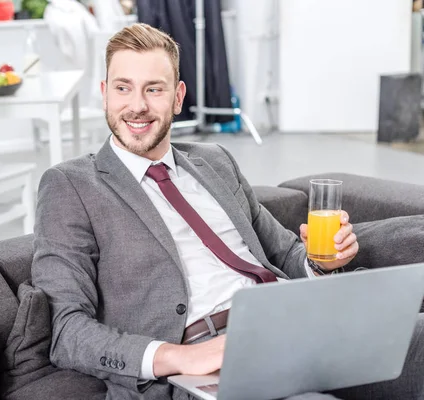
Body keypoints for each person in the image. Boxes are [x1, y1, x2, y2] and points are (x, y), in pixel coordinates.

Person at [32, 23, 424, 400]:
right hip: (211, 351)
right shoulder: (72, 186)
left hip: (301, 318)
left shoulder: (214, 161)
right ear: (104, 93)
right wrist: (183, 357)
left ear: (178, 97)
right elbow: (67, 331)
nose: (137, 106)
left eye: (154, 89)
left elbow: (284, 253)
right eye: (123, 88)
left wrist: (322, 262)